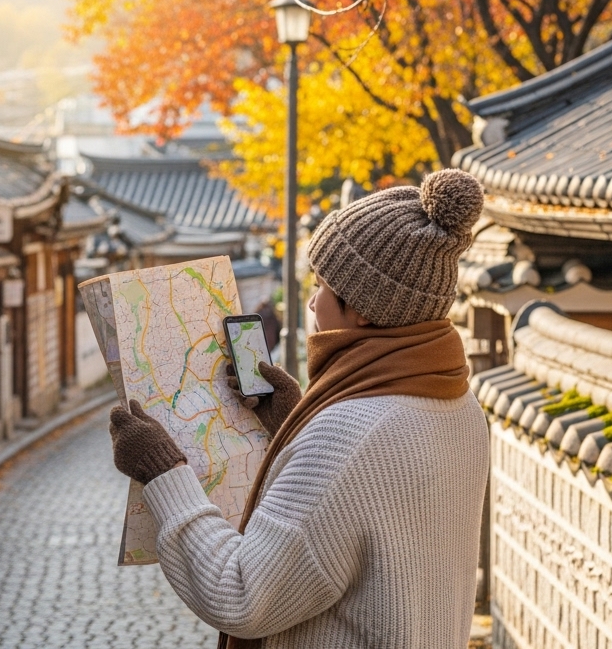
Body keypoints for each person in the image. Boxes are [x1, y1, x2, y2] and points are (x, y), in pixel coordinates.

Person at [108, 169, 489, 649]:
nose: (312, 300)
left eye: (324, 287)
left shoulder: (347, 438)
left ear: (364, 309)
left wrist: (163, 472)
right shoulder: (458, 405)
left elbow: (241, 594)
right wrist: (298, 417)